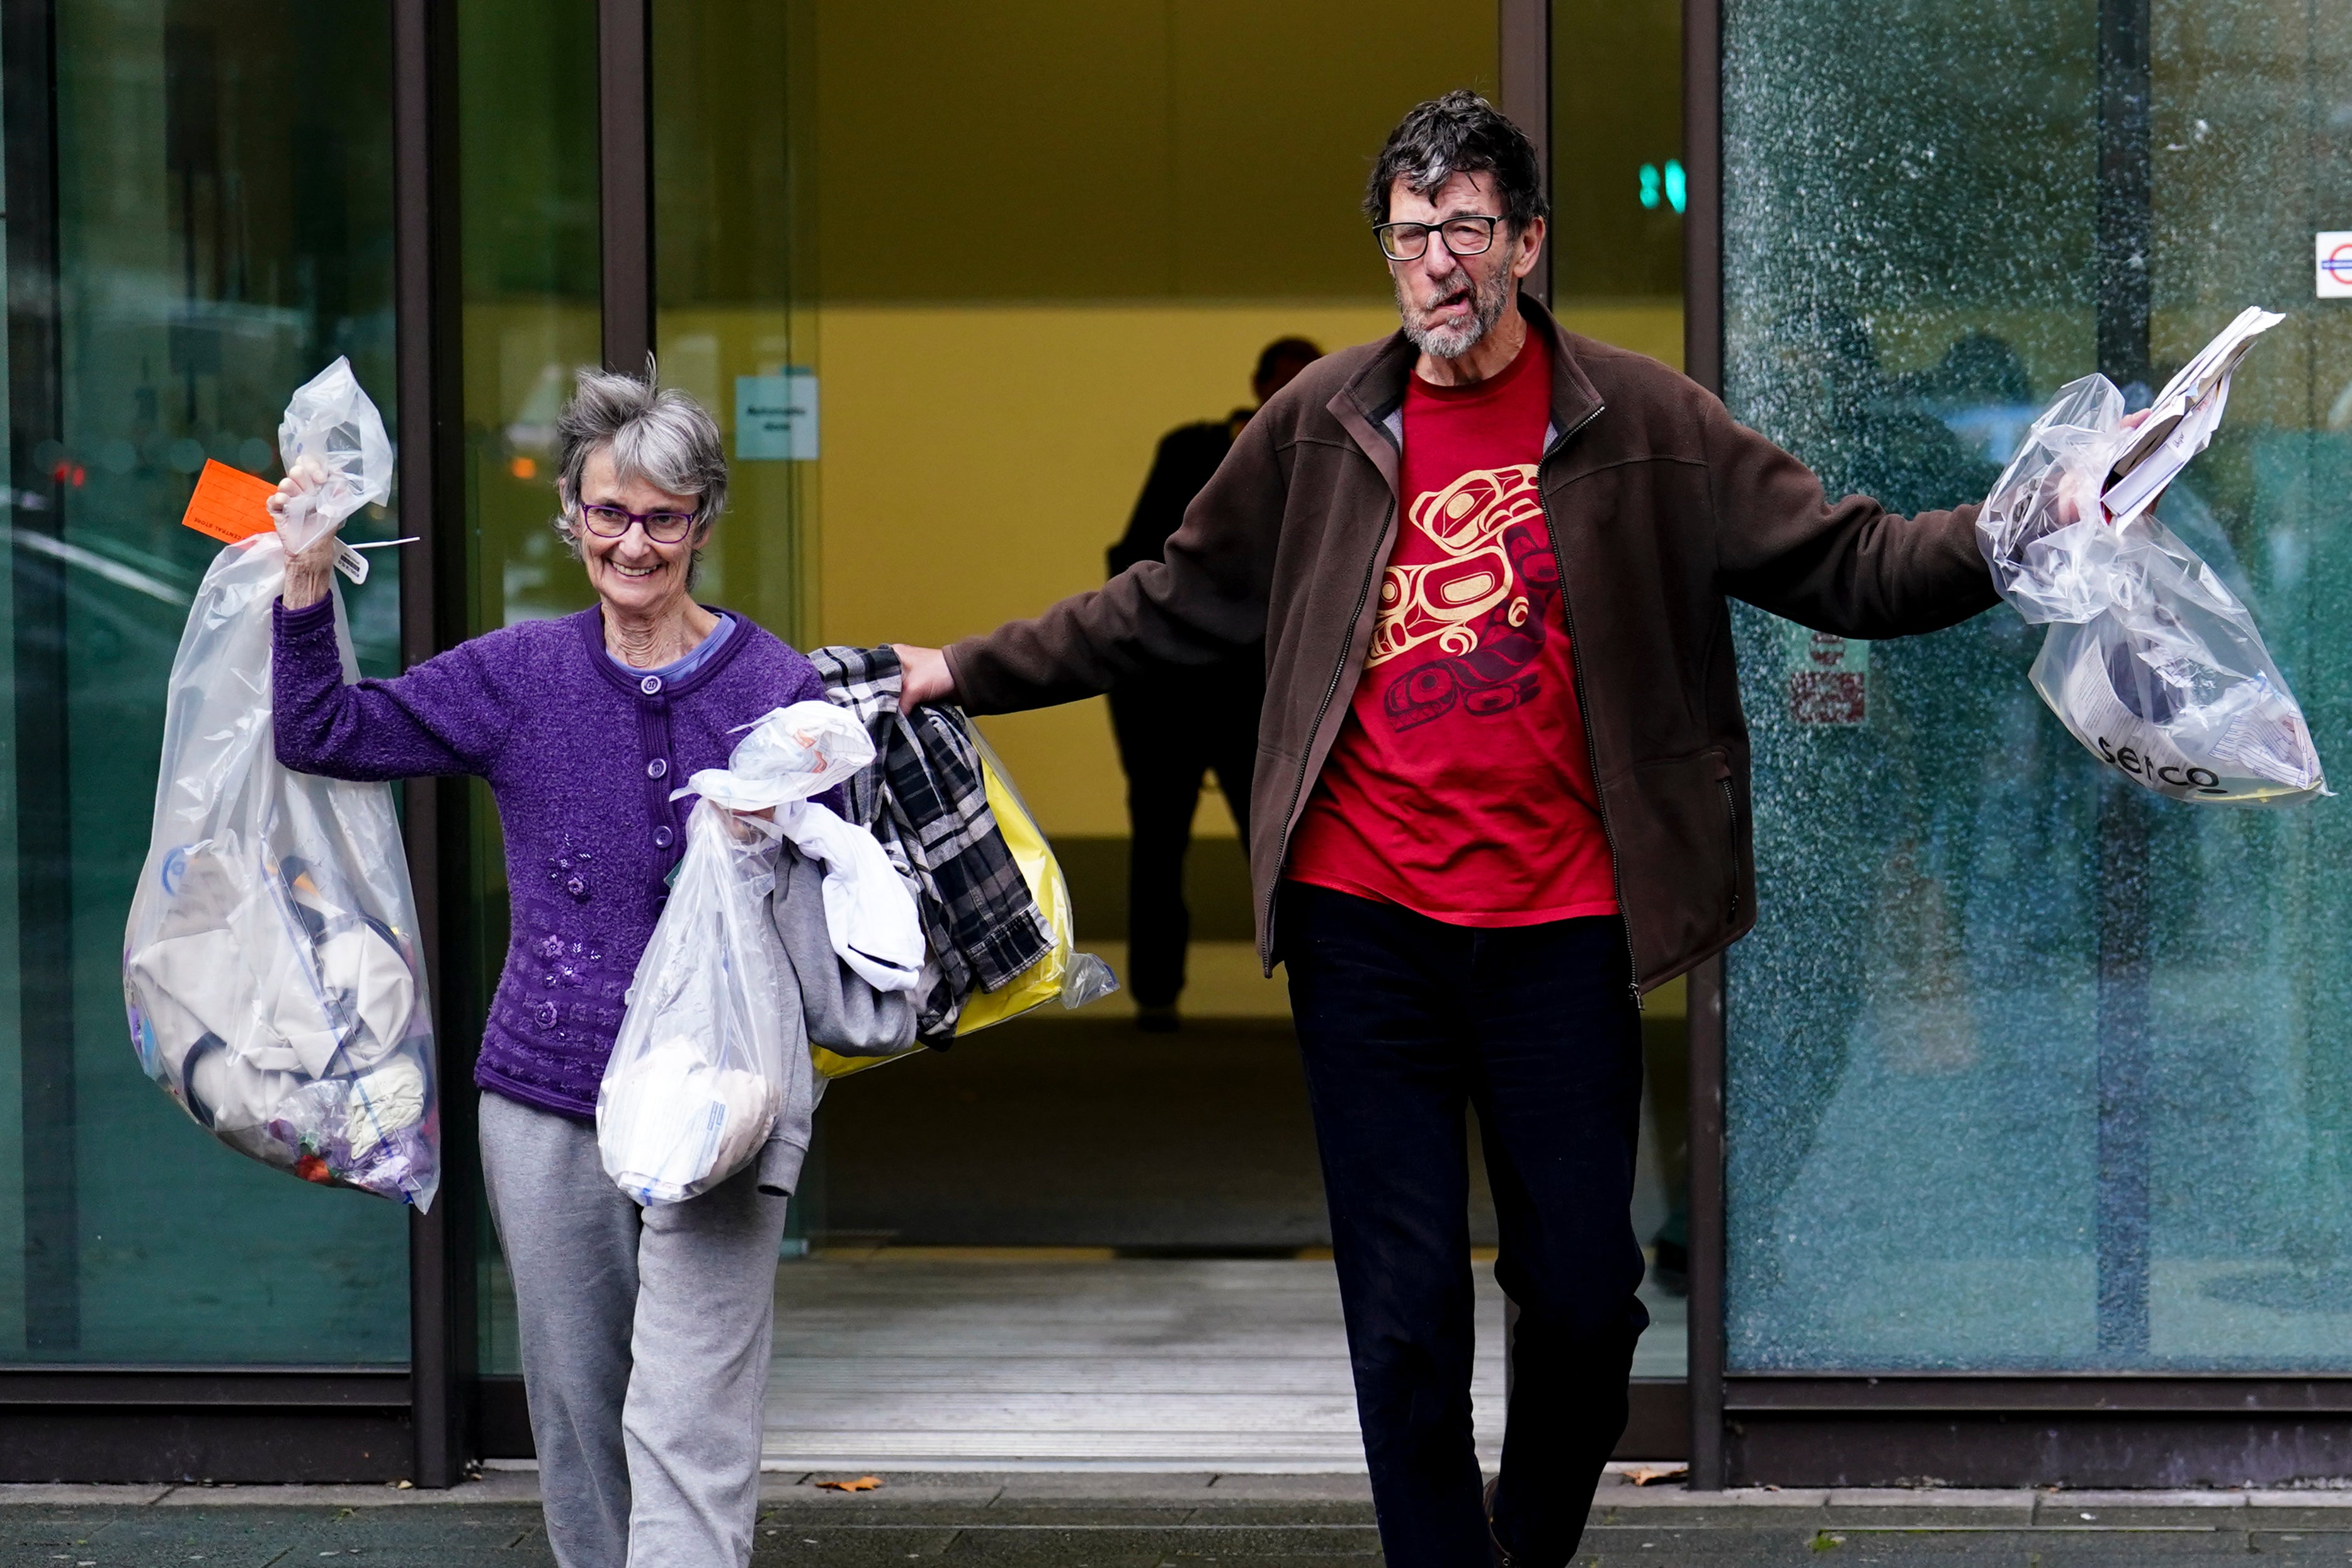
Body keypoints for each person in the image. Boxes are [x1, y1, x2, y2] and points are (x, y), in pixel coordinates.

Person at [894, 90, 2005, 1567]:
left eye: (1464, 228)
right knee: (1401, 1299)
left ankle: (1519, 1545)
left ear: (1526, 243)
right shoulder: (1320, 425)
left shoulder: (1644, 423)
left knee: (1587, 1289)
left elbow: (1845, 560)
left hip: (1559, 925)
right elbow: (1166, 600)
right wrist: (952, 670)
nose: (1434, 263)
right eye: (1409, 234)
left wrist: (2011, 536)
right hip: (1369, 929)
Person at [270, 368, 821, 1568]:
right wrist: (307, 583)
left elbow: (851, 887)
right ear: (571, 519)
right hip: (549, 1093)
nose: (635, 542)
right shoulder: (519, 676)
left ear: (704, 523)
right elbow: (324, 734)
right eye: (610, 513)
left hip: (727, 1093)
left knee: (695, 1415)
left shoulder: (778, 689)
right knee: (578, 1408)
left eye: (664, 516)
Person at [1106, 336, 1320, 1030]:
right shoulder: (1196, 451)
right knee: (1159, 845)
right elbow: (1139, 563)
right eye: (1281, 383)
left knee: (1282, 844)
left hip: (1253, 695)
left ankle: (1322, 985)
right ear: (1258, 384)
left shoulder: (1330, 463)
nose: (1287, 396)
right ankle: (1156, 995)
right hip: (1171, 692)